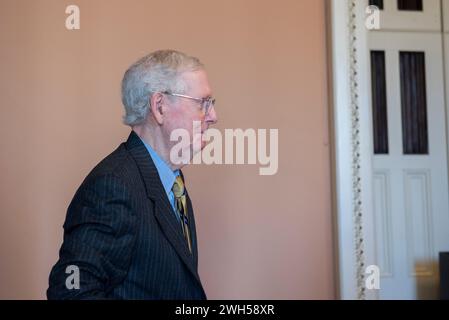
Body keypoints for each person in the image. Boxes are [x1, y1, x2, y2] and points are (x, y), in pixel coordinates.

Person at [47, 50, 218, 299]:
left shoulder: (173, 183)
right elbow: (70, 292)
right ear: (159, 106)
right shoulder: (112, 188)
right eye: (202, 103)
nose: (213, 116)